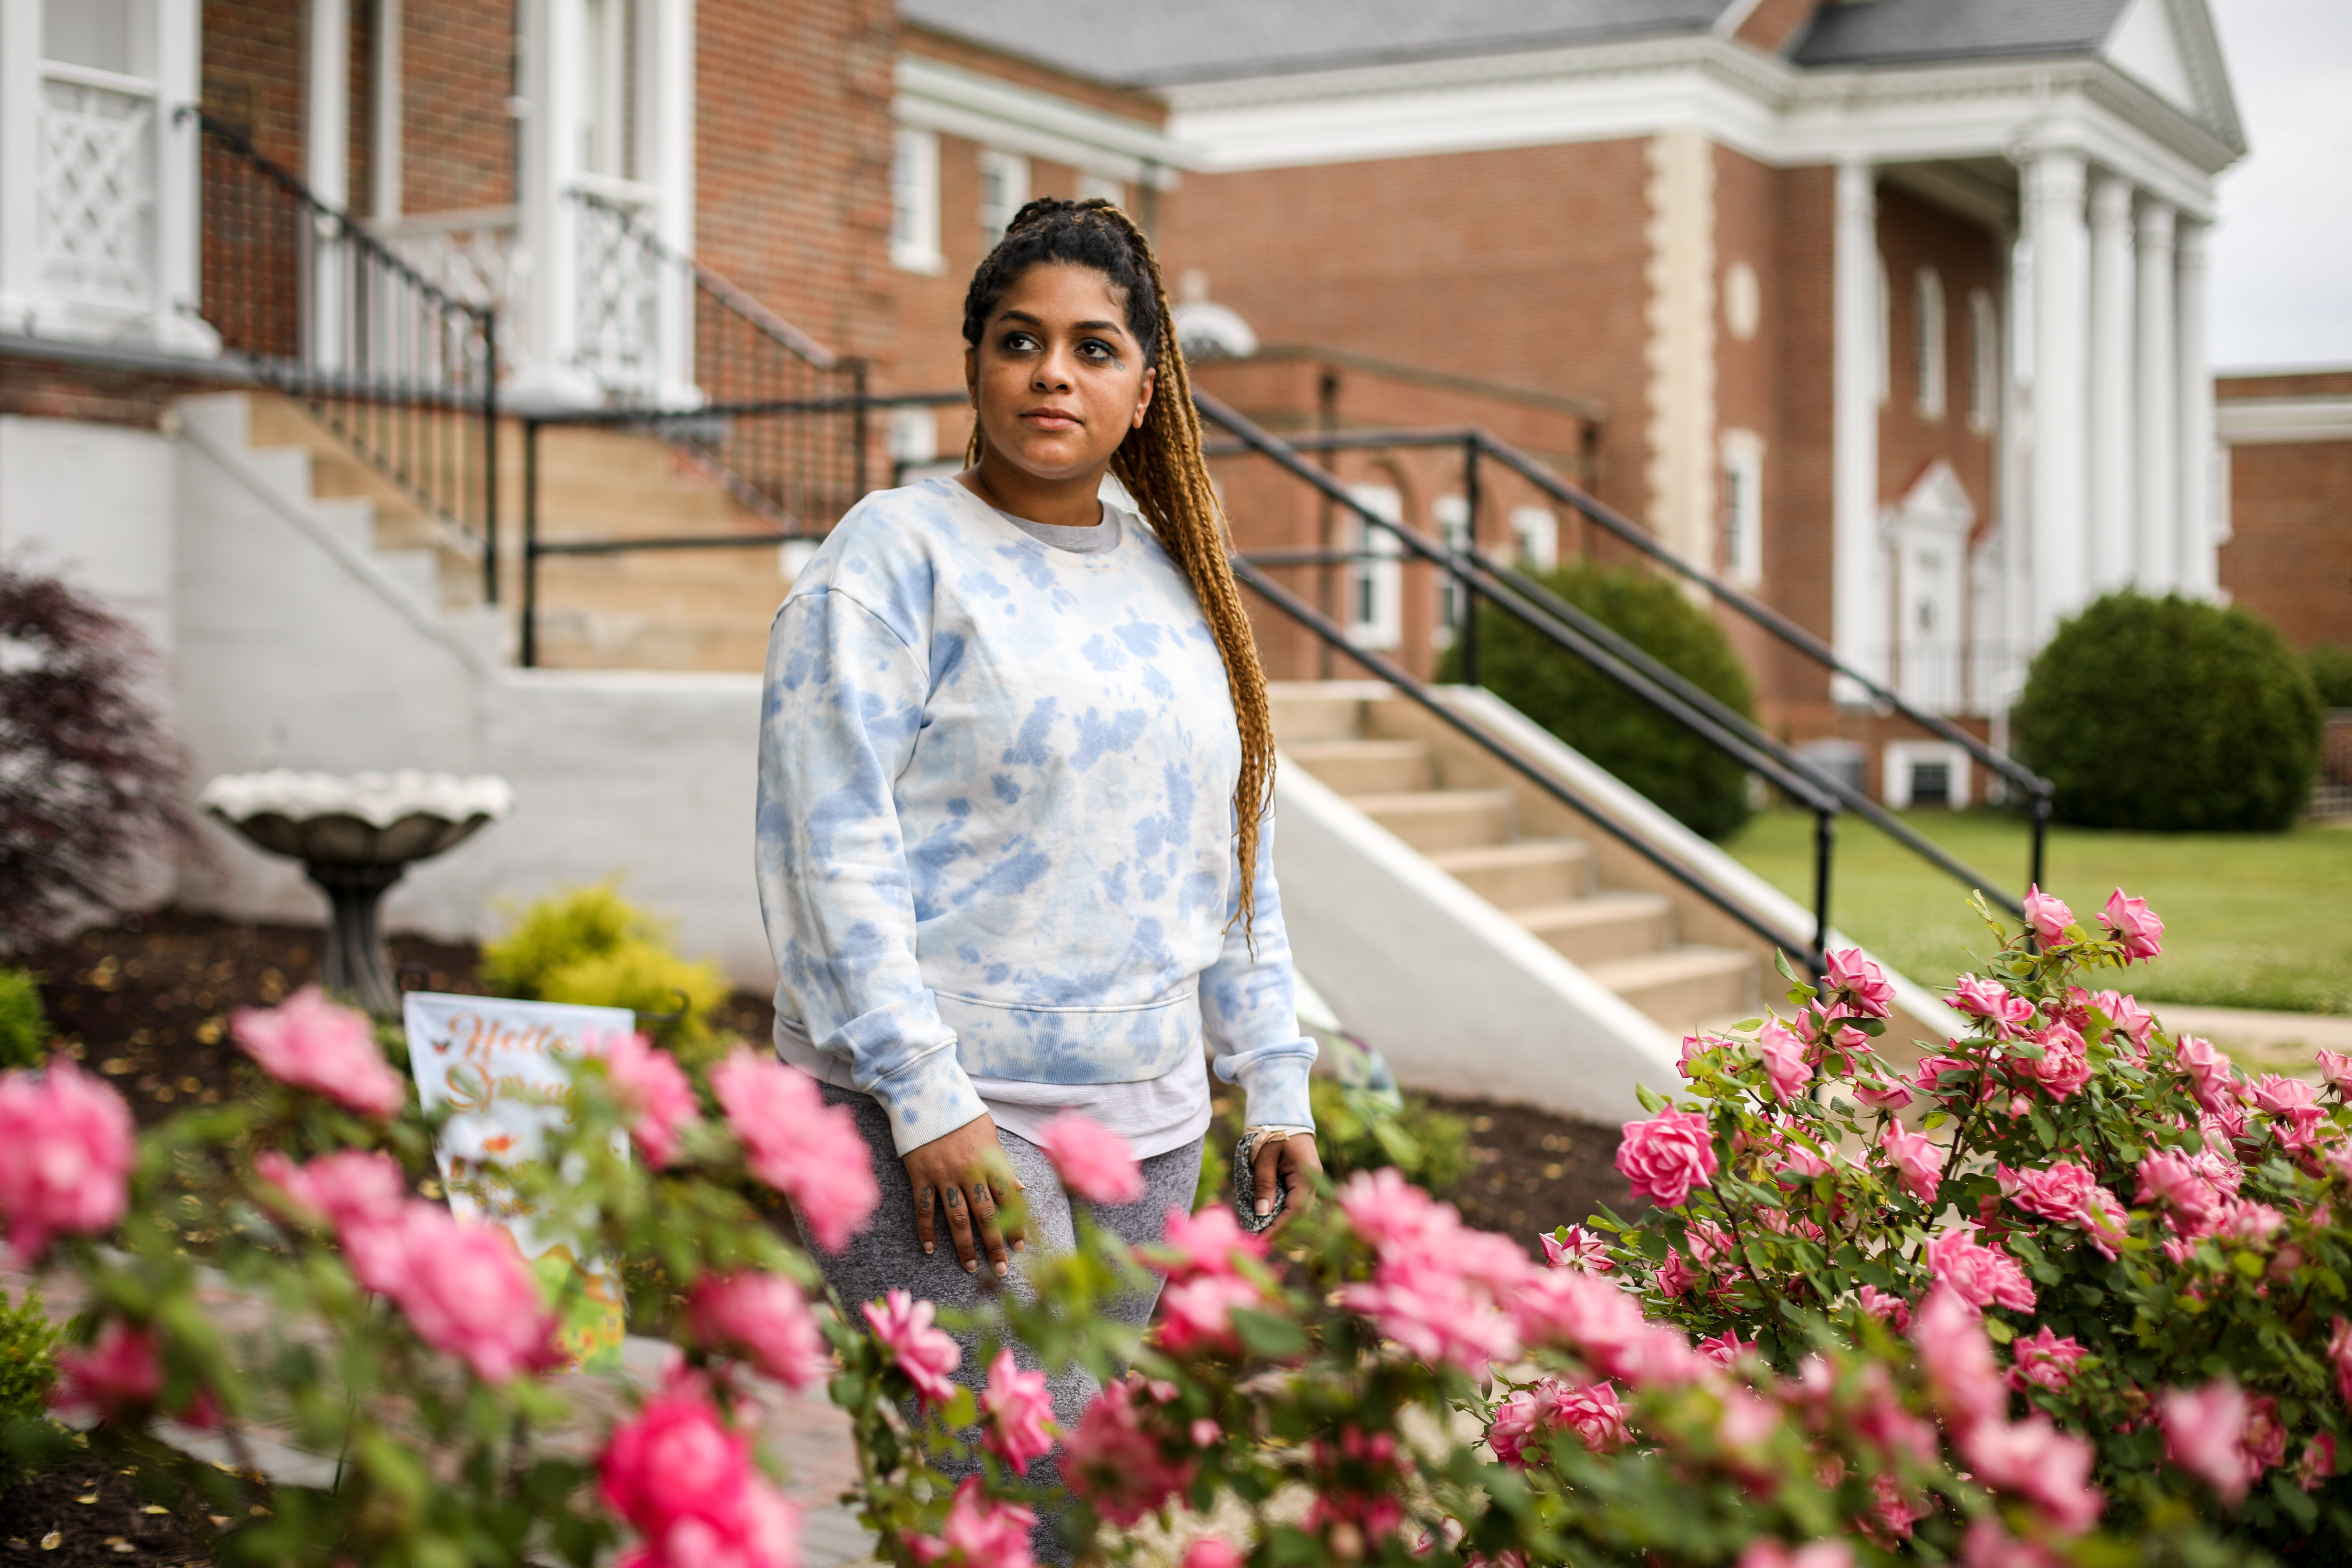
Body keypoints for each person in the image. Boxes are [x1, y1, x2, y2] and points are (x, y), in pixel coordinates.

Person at [753, 197, 1323, 1510]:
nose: (1053, 372)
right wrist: (925, 1095)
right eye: (1020, 341)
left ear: (1145, 387)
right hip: (936, 1117)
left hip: (1148, 1127)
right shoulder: (892, 558)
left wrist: (1274, 1077)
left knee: (1060, 1504)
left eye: (1093, 347)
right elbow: (824, 846)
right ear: (973, 365)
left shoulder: (1188, 588)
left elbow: (1235, 859)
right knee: (1024, 1490)